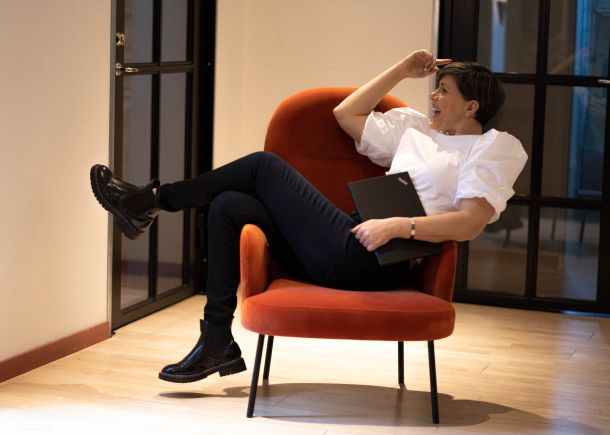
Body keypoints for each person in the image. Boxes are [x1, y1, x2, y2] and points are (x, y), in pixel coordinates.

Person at [90, 49, 527, 384]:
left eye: (444, 90)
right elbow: (345, 113)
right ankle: (216, 340)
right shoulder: (415, 130)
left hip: (378, 258)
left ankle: (150, 202)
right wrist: (401, 69)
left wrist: (399, 226)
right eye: (435, 87)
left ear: (472, 107)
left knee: (263, 166)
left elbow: (470, 223)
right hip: (344, 238)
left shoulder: (492, 148)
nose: (433, 95)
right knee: (228, 205)